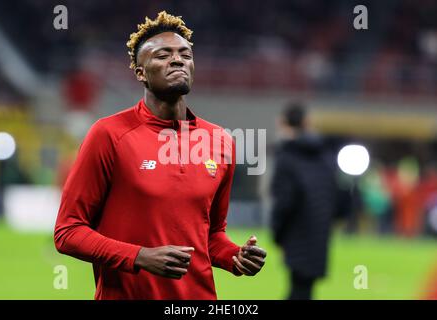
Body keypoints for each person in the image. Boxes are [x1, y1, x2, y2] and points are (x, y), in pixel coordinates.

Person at [54, 11, 266, 300]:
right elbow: (68, 232)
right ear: (141, 73)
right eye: (163, 55)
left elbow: (211, 235)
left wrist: (235, 257)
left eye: (185, 54)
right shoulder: (109, 134)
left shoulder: (221, 141)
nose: (177, 60)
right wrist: (139, 256)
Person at [270, 102, 338, 300]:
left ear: (284, 123)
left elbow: (284, 202)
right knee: (304, 290)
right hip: (320, 232)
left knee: (298, 290)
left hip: (296, 233)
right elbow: (337, 194)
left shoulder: (288, 156)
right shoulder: (325, 155)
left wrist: (278, 235)